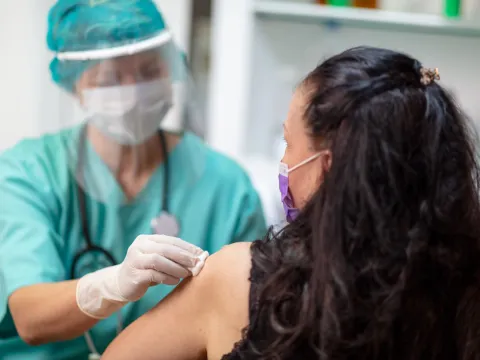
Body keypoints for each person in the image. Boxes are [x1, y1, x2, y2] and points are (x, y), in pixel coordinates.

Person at [101, 46, 480, 360]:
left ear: (326, 168)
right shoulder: (464, 293)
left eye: (288, 144)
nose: (283, 163)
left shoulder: (239, 280)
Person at [0, 0, 267, 358]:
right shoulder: (28, 172)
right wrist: (113, 284)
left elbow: (250, 315)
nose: (133, 91)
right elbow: (30, 319)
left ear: (172, 67)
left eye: (149, 70)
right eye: (109, 78)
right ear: (75, 85)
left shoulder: (227, 186)